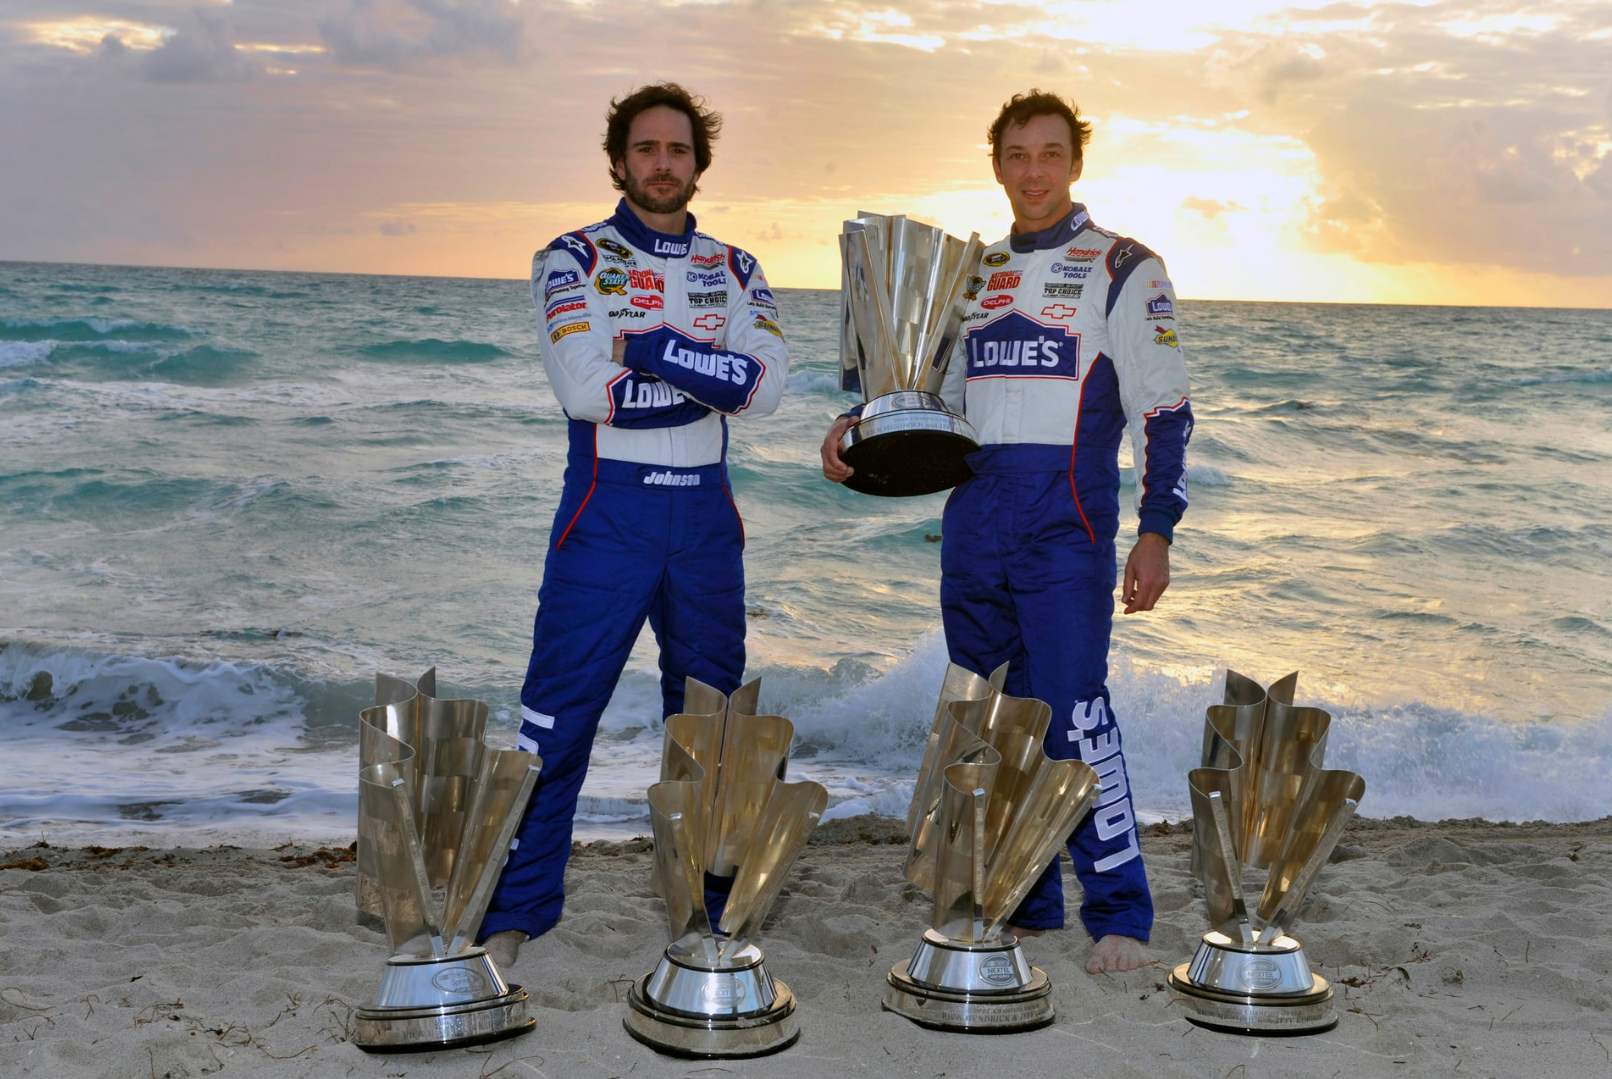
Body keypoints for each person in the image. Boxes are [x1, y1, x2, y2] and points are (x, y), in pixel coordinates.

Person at [821, 90, 1193, 974]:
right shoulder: (972, 273)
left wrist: (1157, 532)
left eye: (1050, 154)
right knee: (986, 715)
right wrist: (857, 430)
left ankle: (1121, 913)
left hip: (1066, 518)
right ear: (996, 165)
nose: (1034, 172)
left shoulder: (1124, 267)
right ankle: (1025, 899)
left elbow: (1165, 411)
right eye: (1017, 155)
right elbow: (925, 394)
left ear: (1075, 162)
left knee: (1073, 712)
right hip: (976, 513)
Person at [483, 82, 788, 966]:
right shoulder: (572, 259)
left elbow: (766, 388)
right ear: (619, 162)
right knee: (556, 717)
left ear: (699, 164)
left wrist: (646, 348)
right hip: (605, 514)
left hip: (706, 522)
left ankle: (707, 913)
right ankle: (516, 909)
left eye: (678, 149)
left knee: (711, 727)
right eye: (646, 148)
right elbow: (587, 390)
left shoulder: (737, 269)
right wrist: (708, 376)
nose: (663, 163)